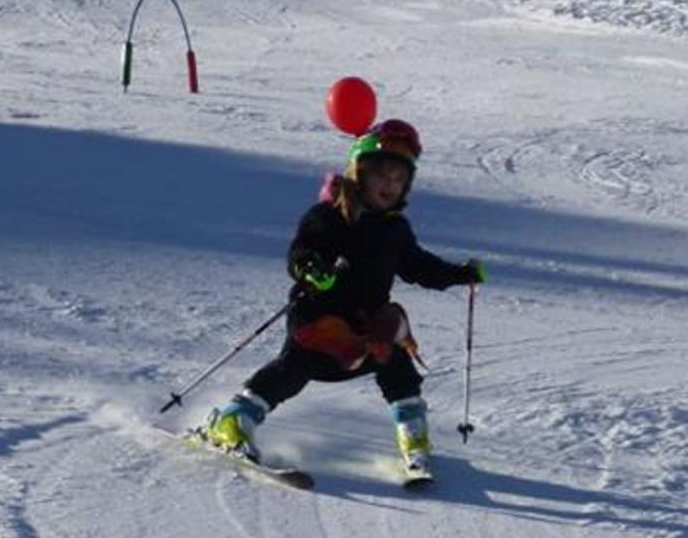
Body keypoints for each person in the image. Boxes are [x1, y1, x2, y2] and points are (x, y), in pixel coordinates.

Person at [203, 118, 485, 475]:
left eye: (399, 179)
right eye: (382, 175)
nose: (390, 185)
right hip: (320, 321)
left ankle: (413, 438)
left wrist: (460, 274)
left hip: (366, 328)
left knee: (396, 361)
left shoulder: (396, 229)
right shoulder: (330, 216)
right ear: (359, 173)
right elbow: (301, 251)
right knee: (294, 370)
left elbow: (418, 266)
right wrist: (310, 269)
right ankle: (234, 420)